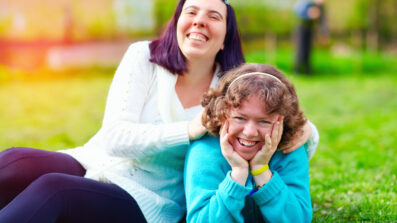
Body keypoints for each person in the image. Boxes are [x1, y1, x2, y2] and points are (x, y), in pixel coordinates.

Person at [0, 1, 318, 222]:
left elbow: (281, 120)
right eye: (191, 11)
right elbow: (113, 136)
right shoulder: (144, 57)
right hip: (97, 162)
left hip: (149, 197)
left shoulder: (232, 87)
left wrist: (304, 129)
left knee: (54, 190)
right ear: (177, 22)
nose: (199, 21)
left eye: (214, 16)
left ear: (225, 37)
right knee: (13, 163)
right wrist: (191, 128)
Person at [184, 63, 313, 222]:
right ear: (222, 113)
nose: (250, 132)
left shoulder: (289, 149)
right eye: (240, 118)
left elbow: (298, 219)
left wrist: (261, 171)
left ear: (282, 122)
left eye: (264, 121)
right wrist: (237, 174)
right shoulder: (205, 150)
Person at [294, 0, 328, 75]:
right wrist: (308, 14)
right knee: (301, 49)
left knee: (308, 50)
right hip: (302, 26)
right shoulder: (307, 2)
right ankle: (297, 70)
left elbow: (323, 20)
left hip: (311, 27)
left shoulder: (320, 7)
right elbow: (297, 10)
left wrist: (324, 33)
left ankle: (308, 71)